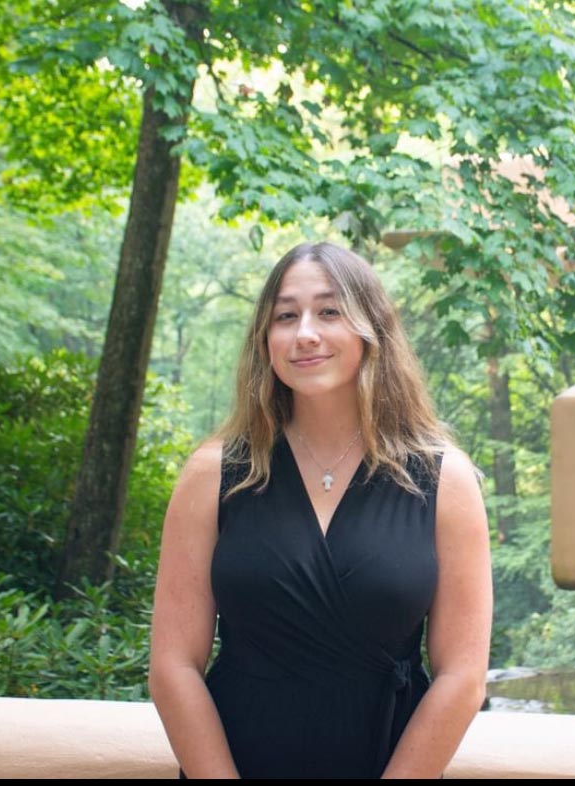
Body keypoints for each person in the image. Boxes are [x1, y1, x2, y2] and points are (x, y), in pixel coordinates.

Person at [148, 242, 493, 779]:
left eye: (329, 312)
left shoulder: (444, 480)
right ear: (266, 340)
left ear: (370, 328)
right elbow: (173, 667)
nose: (304, 333)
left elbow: (464, 676)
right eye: (286, 316)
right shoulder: (212, 474)